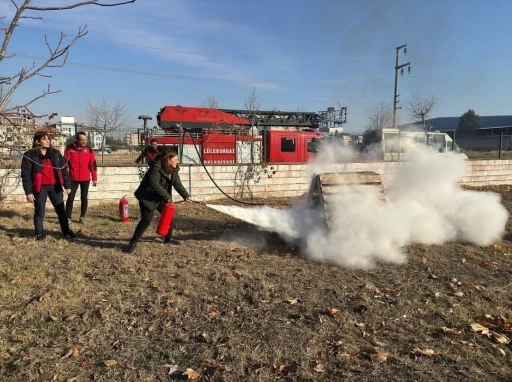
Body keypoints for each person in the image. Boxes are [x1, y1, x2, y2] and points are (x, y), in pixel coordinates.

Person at [125, 151, 192, 253]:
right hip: (147, 197)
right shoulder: (156, 167)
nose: (177, 162)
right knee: (146, 220)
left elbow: (177, 184)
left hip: (160, 197)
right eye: (175, 160)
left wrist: (185, 195)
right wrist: (167, 196)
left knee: (168, 217)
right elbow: (154, 183)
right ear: (168, 160)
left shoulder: (173, 169)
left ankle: (168, 239)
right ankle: (133, 243)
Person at [20, 131, 76, 240]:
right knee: (40, 211)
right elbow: (25, 175)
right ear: (37, 141)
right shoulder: (30, 155)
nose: (47, 141)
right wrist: (29, 192)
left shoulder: (55, 154)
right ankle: (39, 234)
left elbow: (63, 170)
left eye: (48, 139)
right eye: (44, 139)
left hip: (55, 186)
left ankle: (66, 231)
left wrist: (67, 185)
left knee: (61, 211)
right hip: (40, 187)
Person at [64, 131, 98, 224]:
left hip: (85, 178)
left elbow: (93, 165)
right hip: (72, 178)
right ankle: (68, 217)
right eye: (82, 140)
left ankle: (82, 216)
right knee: (70, 198)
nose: (84, 142)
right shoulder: (69, 149)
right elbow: (64, 164)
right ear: (77, 140)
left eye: (85, 140)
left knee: (84, 198)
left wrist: (94, 178)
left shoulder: (89, 150)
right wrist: (64, 178)